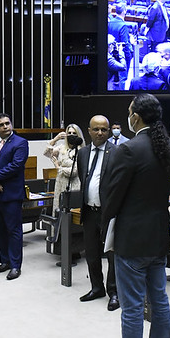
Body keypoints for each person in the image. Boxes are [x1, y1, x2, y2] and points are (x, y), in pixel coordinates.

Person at [98, 93, 170, 338]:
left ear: (136, 117)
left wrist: (104, 224)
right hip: (158, 235)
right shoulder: (168, 147)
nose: (128, 116)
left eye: (129, 111)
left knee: (131, 307)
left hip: (132, 238)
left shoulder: (129, 149)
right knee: (159, 300)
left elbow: (112, 195)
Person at [77, 115, 119, 311]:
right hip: (89, 211)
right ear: (89, 130)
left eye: (104, 129)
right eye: (96, 129)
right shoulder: (83, 153)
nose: (100, 133)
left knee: (111, 255)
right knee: (92, 253)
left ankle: (114, 292)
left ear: (109, 131)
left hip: (109, 212)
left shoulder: (117, 152)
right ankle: (97, 287)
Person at [0, 113, 29, 280]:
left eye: (7, 123)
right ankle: (5, 261)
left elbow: (16, 165)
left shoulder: (20, 143)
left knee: (14, 231)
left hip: (11, 194)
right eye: (1, 125)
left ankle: (16, 266)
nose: (5, 127)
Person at [108, 2, 133, 79]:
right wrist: (129, 56)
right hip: (121, 55)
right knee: (123, 78)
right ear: (124, 11)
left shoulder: (110, 22)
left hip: (112, 53)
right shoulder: (123, 25)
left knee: (115, 78)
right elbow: (125, 44)